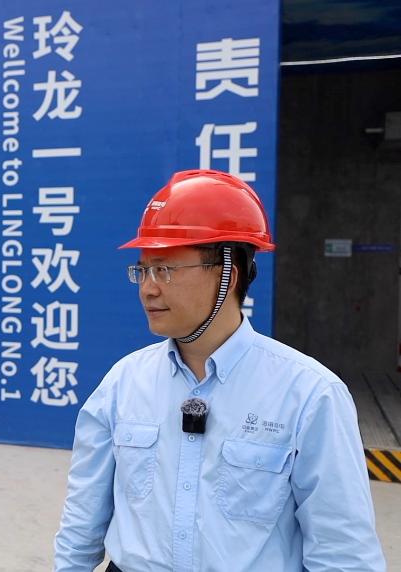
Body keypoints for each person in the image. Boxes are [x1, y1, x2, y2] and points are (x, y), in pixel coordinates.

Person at [53, 170, 385, 571]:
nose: (148, 288)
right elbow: (81, 524)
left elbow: (343, 554)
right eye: (142, 270)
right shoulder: (123, 383)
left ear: (229, 274)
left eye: (165, 269)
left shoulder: (309, 395)